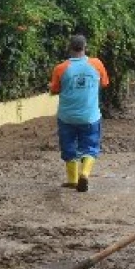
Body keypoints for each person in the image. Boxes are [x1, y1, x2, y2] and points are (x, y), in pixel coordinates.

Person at [49, 34, 109, 192]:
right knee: (90, 146)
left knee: (69, 147)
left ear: (69, 48)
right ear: (85, 47)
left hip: (66, 116)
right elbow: (104, 83)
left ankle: (73, 180)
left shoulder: (61, 68)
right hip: (90, 116)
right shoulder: (97, 64)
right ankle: (85, 173)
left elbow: (54, 89)